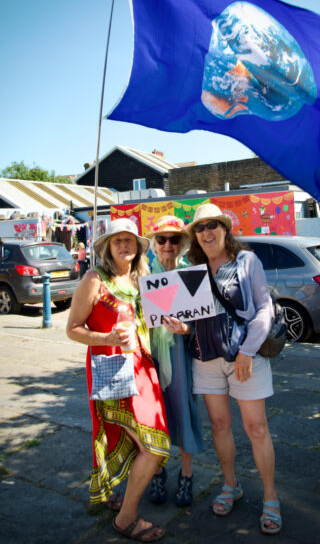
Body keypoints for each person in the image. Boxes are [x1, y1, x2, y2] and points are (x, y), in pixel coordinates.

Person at [164, 203, 281, 535]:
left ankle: (271, 497)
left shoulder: (247, 262)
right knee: (219, 425)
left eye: (212, 225)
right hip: (206, 360)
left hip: (244, 359)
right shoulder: (192, 269)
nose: (206, 232)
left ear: (225, 229)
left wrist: (247, 352)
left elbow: (263, 309)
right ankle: (231, 485)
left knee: (256, 428)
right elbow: (195, 321)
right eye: (199, 228)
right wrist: (181, 328)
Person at [67, 218, 170, 542]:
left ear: (139, 247)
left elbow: (158, 321)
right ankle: (126, 519)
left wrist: (175, 322)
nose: (124, 245)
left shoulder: (142, 279)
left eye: (130, 240)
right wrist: (106, 335)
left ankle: (114, 496)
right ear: (108, 247)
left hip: (143, 371)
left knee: (142, 444)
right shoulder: (95, 279)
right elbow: (72, 328)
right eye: (117, 241)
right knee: (153, 448)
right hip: (112, 371)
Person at [146, 215, 204, 507]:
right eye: (162, 239)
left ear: (182, 243)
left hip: (179, 355)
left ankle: (187, 474)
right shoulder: (142, 274)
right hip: (150, 355)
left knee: (183, 409)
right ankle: (157, 471)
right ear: (154, 244)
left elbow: (203, 323)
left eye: (174, 239)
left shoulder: (191, 273)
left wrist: (187, 328)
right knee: (152, 416)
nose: (168, 245)